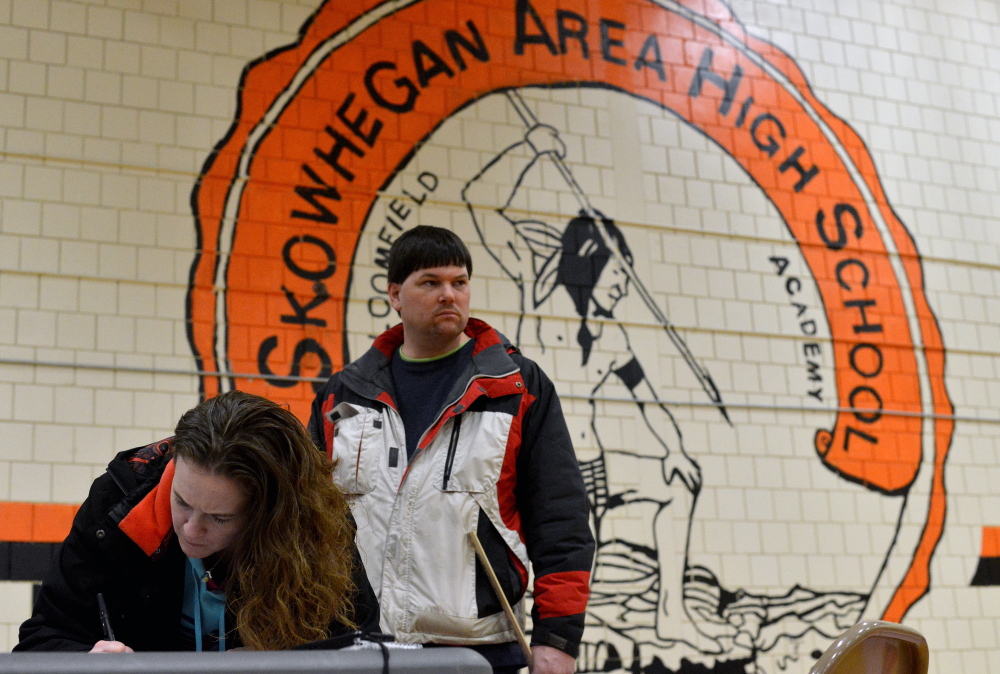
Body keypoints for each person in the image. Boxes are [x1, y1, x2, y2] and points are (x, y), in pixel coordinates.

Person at [308, 225, 595, 674]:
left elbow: (562, 522)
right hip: (357, 647)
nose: (449, 294)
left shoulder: (517, 388)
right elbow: (306, 521)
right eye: (431, 282)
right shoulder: (342, 397)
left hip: (477, 653)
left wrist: (557, 641)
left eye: (459, 282)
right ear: (395, 295)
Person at [16, 391, 380, 652]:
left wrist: (280, 663)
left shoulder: (314, 524)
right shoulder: (116, 507)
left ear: (270, 516)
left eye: (219, 517)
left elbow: (358, 648)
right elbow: (41, 637)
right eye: (181, 501)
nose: (191, 529)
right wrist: (87, 662)